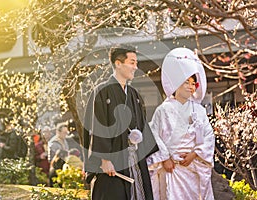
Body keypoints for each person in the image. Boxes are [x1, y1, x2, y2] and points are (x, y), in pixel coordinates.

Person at [83, 45, 158, 200]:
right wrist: (104, 160)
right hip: (113, 159)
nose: (135, 67)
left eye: (136, 63)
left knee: (139, 193)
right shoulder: (102, 91)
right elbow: (98, 126)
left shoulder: (133, 94)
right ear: (118, 63)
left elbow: (142, 124)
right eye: (132, 62)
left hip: (134, 157)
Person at [147, 48, 215, 200]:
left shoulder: (199, 110)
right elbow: (154, 134)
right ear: (177, 84)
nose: (191, 87)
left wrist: (195, 153)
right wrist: (165, 158)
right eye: (187, 82)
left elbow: (208, 135)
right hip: (172, 168)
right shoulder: (163, 109)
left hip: (193, 166)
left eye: (193, 84)